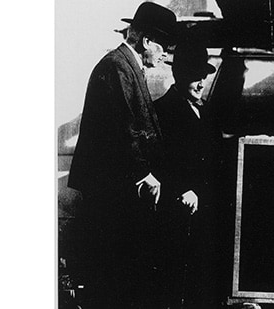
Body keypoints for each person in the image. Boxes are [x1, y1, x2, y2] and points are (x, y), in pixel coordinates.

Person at [67, 2, 177, 308]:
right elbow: (124, 128)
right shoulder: (118, 67)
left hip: (117, 190)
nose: (165, 54)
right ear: (146, 42)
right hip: (113, 194)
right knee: (116, 276)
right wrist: (145, 174)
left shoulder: (126, 66)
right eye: (164, 46)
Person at [154, 41, 226, 308]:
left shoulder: (206, 111)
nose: (200, 84)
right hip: (177, 214)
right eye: (194, 78)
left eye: (203, 78)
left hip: (205, 212)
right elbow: (157, 163)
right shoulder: (161, 111)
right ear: (178, 76)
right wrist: (182, 190)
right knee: (176, 284)